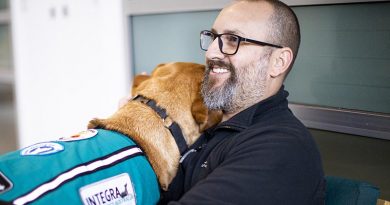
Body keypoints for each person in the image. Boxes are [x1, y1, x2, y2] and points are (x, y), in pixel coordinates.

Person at [159, 0, 326, 204]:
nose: (211, 52)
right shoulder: (213, 127)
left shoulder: (281, 148)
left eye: (233, 39)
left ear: (278, 62)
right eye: (213, 37)